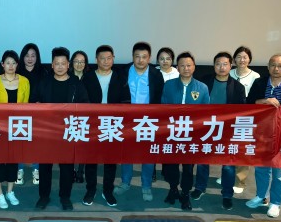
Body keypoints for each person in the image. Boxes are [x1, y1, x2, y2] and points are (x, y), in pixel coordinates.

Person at [245, 54, 281, 218]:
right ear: (268, 66)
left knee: (279, 172)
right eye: (272, 65)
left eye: (279, 66)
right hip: (261, 134)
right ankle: (261, 197)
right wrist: (264, 101)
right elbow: (248, 104)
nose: (276, 69)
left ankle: (275, 203)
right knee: (261, 168)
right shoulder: (260, 83)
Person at [34, 47, 89, 210]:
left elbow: (85, 105)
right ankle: (44, 196)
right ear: (52, 65)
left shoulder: (76, 84)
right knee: (45, 166)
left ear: (68, 65)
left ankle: (65, 197)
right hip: (47, 132)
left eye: (63, 63)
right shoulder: (44, 83)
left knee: (67, 167)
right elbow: (33, 102)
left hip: (68, 130)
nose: (59, 66)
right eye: (56, 63)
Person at [194, 52, 246, 210]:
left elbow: (242, 112)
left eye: (225, 64)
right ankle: (200, 188)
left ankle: (227, 195)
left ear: (231, 66)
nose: (221, 67)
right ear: (214, 65)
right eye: (218, 64)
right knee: (202, 161)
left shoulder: (237, 87)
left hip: (227, 130)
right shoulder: (204, 82)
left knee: (228, 165)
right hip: (206, 128)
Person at [115, 42, 165, 201]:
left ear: (149, 58)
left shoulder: (156, 75)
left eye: (144, 57)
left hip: (148, 120)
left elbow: (160, 98)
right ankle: (125, 182)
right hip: (127, 120)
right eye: (137, 56)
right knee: (126, 154)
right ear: (133, 56)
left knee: (148, 155)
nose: (140, 60)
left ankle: (146, 186)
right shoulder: (123, 72)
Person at [161, 51, 210, 211]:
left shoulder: (202, 88)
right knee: (171, 165)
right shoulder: (169, 85)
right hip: (172, 132)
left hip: (191, 134)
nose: (186, 68)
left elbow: (206, 113)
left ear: (194, 67)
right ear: (177, 67)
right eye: (182, 65)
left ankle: (185, 193)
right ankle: (173, 189)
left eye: (189, 65)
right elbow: (162, 108)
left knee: (188, 167)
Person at [81, 45, 130, 207]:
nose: (106, 61)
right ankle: (91, 190)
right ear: (96, 60)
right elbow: (82, 101)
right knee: (91, 160)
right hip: (93, 124)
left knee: (111, 161)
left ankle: (108, 191)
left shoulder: (120, 77)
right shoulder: (88, 77)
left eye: (109, 58)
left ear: (113, 59)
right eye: (102, 58)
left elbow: (126, 101)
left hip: (112, 124)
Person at [0, 50, 29, 208]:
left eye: (13, 63)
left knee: (13, 159)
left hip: (17, 126)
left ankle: (10, 191)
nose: (11, 66)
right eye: (7, 63)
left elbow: (26, 106)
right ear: (2, 64)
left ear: (17, 65)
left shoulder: (24, 81)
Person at [227, 45, 261, 193]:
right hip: (228, 117)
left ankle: (240, 181)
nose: (242, 60)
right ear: (234, 59)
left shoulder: (255, 76)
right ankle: (227, 174)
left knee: (242, 148)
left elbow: (257, 98)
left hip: (246, 118)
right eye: (239, 57)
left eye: (245, 57)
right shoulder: (229, 73)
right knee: (228, 146)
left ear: (249, 59)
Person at [17, 43, 45, 184]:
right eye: (27, 55)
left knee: (37, 143)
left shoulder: (43, 73)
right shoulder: (17, 72)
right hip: (19, 114)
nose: (30, 58)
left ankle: (36, 169)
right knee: (19, 141)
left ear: (37, 57)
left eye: (33, 55)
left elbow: (46, 92)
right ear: (22, 57)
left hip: (38, 114)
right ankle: (19, 169)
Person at [69, 50, 89, 183]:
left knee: (83, 145)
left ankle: (81, 171)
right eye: (76, 61)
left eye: (82, 62)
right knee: (70, 145)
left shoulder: (90, 78)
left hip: (85, 117)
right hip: (69, 117)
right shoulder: (67, 77)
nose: (79, 64)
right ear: (72, 63)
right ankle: (70, 171)